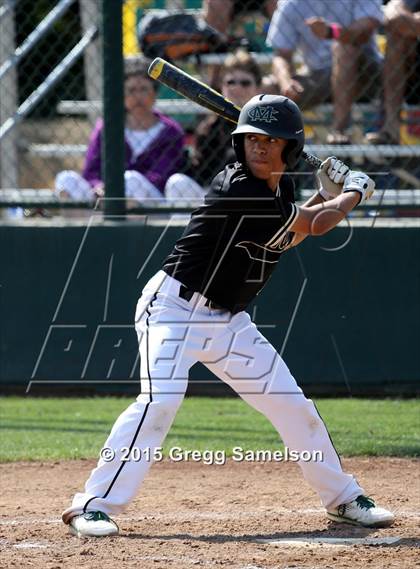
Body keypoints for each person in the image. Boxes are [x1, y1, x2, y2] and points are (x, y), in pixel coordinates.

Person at [62, 94, 395, 538]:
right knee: (159, 401)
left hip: (229, 321)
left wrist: (326, 193)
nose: (258, 147)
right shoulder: (237, 186)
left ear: (288, 148)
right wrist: (353, 191)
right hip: (174, 311)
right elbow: (313, 225)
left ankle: (343, 499)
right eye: (251, 139)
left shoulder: (280, 191)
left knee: (294, 406)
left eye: (269, 140)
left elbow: (288, 235)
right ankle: (91, 505)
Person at [55, 58, 199, 204]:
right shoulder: (107, 127)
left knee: (131, 180)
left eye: (143, 89)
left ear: (154, 93)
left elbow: (160, 176)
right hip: (106, 195)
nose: (138, 96)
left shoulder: (170, 131)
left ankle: (126, 224)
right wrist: (99, 187)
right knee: (66, 179)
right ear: (122, 95)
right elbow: (91, 171)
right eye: (131, 90)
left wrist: (117, 189)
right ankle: (84, 226)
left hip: (152, 199)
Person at [266, 0, 383, 143]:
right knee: (268, 86)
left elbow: (361, 35)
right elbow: (281, 55)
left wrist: (331, 32)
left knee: (344, 49)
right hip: (319, 76)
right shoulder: (291, 4)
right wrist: (286, 82)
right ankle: (270, 148)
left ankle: (340, 130)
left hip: (365, 73)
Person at [190, 49, 261, 188]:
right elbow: (201, 176)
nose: (236, 88)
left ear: (257, 88)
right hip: (214, 197)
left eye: (245, 83)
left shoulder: (269, 126)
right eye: (230, 82)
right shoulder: (209, 128)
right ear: (222, 87)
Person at [366, 0, 420, 144]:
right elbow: (392, 16)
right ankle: (391, 129)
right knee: (397, 38)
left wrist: (411, 24)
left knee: (403, 30)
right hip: (412, 72)